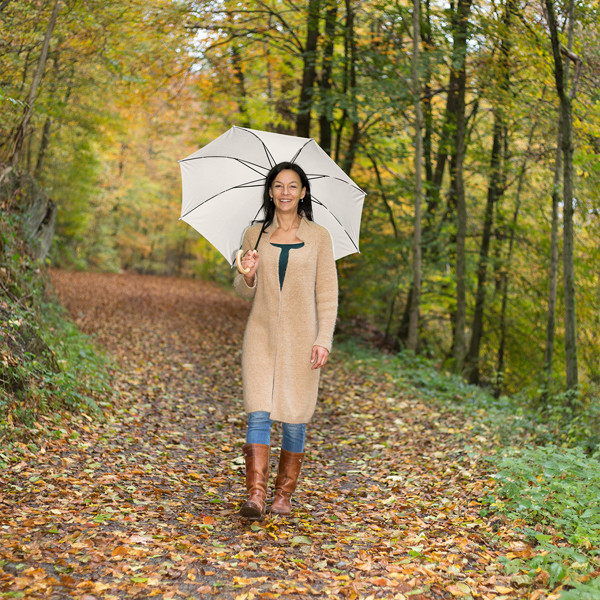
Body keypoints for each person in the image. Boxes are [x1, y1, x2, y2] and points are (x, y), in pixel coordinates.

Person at [233, 161, 338, 520]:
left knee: (294, 417)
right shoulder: (254, 234)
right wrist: (248, 274)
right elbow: (243, 291)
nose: (285, 193)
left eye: (293, 186)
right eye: (278, 186)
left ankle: (283, 495)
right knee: (258, 411)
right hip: (260, 335)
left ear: (304, 192)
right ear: (270, 191)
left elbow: (327, 293)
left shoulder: (320, 237)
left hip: (302, 339)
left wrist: (323, 338)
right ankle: (256, 497)